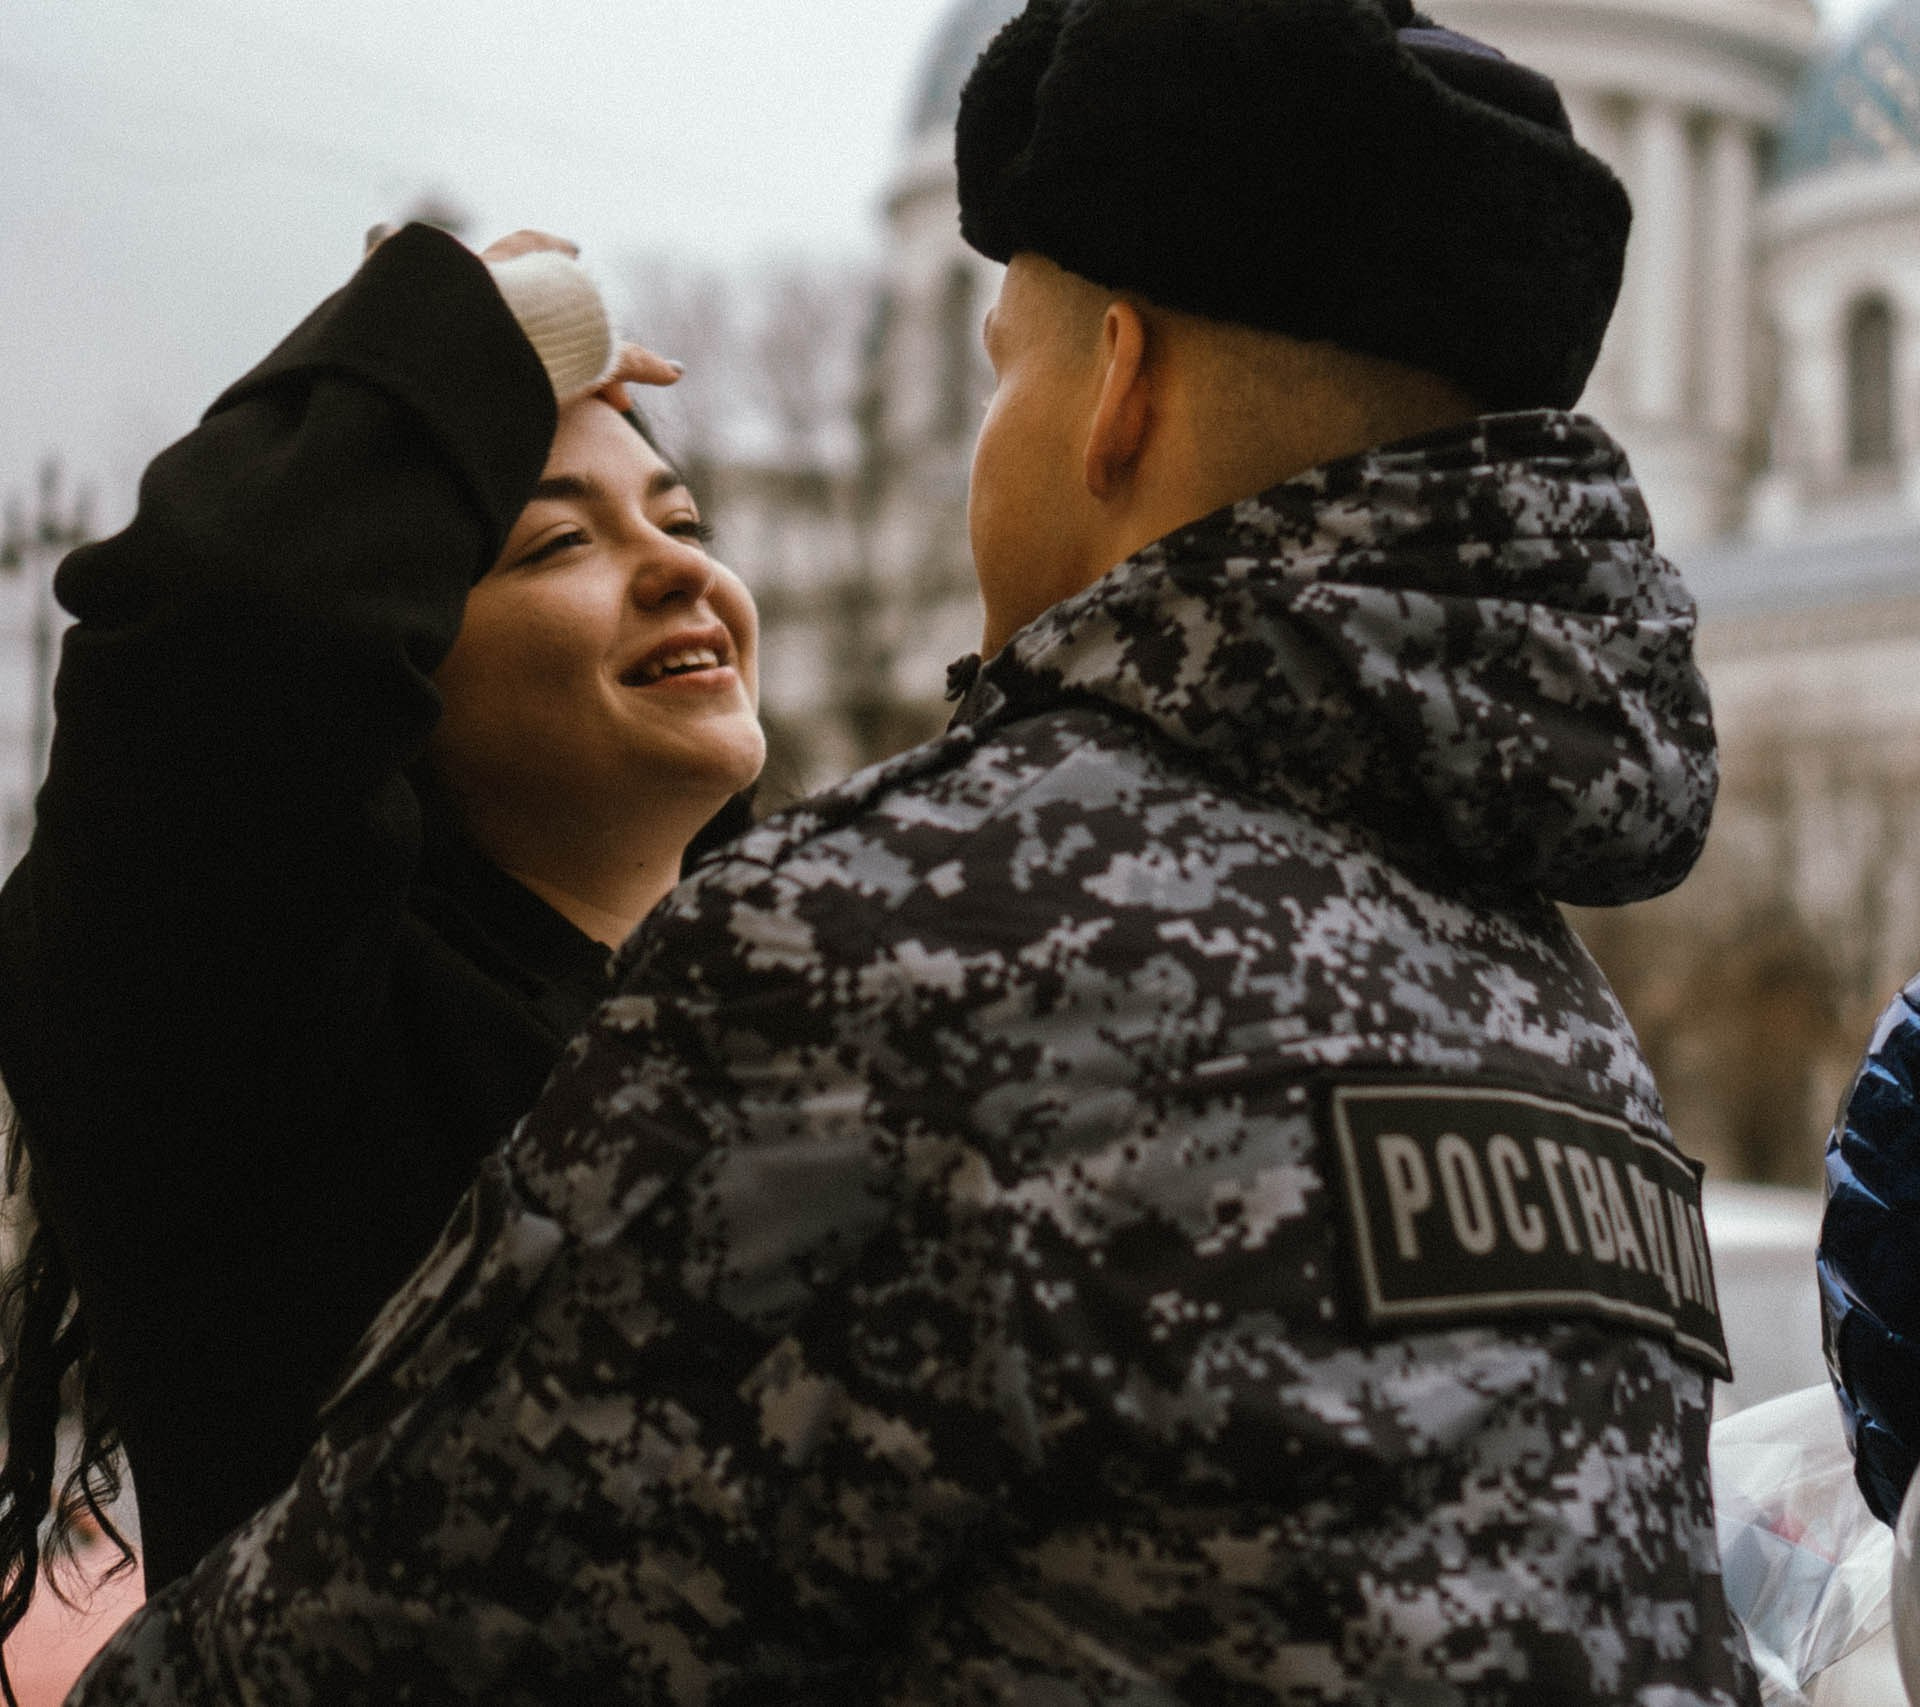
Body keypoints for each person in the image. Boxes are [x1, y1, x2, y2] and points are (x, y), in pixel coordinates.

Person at [71, 2, 1756, 1701]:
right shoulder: (1561, 1027)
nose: (676, 571)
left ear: (1116, 385)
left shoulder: (895, 956)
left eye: (1002, 363)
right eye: (555, 541)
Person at [0, 222, 763, 1628]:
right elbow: (221, 638)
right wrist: (447, 354)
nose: (676, 569)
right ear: (393, 663)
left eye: (682, 519)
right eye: (556, 545)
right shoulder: (273, 1041)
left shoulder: (792, 1012)